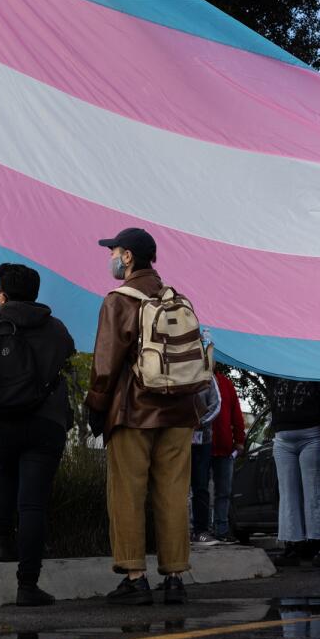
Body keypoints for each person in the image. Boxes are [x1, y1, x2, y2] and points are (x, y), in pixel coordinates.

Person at [86, 227, 207, 606]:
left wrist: (96, 407)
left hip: (134, 411)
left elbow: (106, 364)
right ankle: (174, 578)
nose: (110, 258)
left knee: (128, 493)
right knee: (173, 493)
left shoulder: (119, 300)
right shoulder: (177, 298)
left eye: (114, 251)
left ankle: (135, 577)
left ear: (127, 257)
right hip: (180, 411)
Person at [0, 263, 75, 607]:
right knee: (33, 503)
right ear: (35, 293)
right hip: (45, 424)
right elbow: (65, 357)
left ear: (3, 294)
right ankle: (27, 584)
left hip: (2, 424)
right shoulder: (56, 330)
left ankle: (1, 544)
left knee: (6, 474)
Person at [264, 375, 320, 566]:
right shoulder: (276, 367)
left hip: (312, 435)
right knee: (288, 494)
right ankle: (293, 545)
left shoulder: (316, 365)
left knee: (317, 492)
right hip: (283, 437)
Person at [191, 367, 246, 545]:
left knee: (223, 491)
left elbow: (236, 413)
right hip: (200, 445)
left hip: (224, 447)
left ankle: (221, 529)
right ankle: (201, 529)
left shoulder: (226, 383)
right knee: (200, 488)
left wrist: (239, 440)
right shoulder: (194, 380)